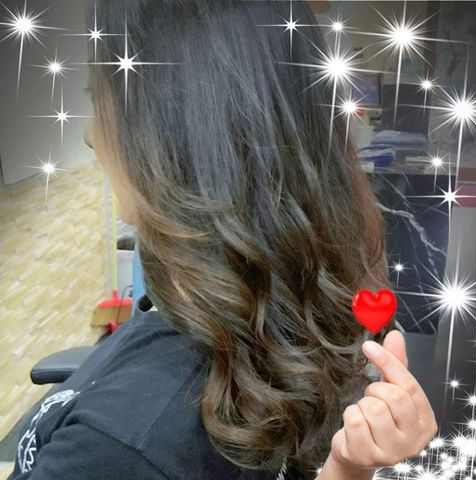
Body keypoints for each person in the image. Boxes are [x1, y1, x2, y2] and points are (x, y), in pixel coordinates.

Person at [8, 1, 438, 479]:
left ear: (175, 130)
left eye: (100, 100)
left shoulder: (119, 448)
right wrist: (346, 466)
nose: (91, 136)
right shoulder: (289, 315)